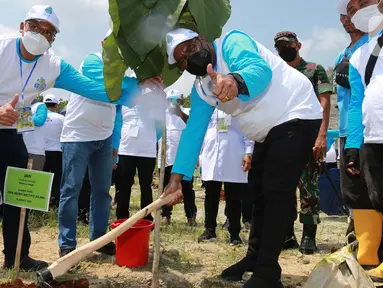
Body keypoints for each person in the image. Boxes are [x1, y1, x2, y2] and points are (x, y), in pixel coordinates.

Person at [0, 5, 160, 270]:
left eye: (49, 32)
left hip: (11, 136)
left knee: (17, 199)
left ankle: (17, 257)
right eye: (36, 27)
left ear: (53, 40)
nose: (41, 34)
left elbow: (96, 90)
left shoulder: (53, 66)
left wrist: (140, 87)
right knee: (69, 190)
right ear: (21, 26)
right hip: (65, 135)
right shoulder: (3, 48)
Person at [163, 28, 323, 287]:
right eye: (181, 60)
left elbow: (258, 69)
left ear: (201, 39)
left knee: (276, 191)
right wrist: (176, 178)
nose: (188, 59)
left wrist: (235, 81)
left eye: (189, 49)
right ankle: (254, 258)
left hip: (296, 112)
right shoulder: (202, 88)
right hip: (266, 131)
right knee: (257, 193)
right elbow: (193, 132)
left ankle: (268, 271)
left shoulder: (231, 42)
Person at [274, 31, 333, 254]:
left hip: (308, 136)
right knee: (282, 188)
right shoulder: (277, 74)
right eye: (278, 47)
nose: (282, 50)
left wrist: (321, 134)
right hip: (283, 137)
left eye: (286, 45)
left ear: (298, 45)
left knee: (308, 187)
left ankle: (309, 237)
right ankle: (287, 235)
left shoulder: (314, 70)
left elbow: (324, 101)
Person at [344, 0, 383, 281]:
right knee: (377, 198)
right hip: (373, 137)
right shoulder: (359, 56)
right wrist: (353, 146)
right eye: (353, 6)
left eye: (364, 2)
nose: (358, 9)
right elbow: (356, 104)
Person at [198, 109, 254, 245]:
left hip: (233, 154)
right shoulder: (209, 108)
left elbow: (249, 130)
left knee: (234, 197)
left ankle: (234, 233)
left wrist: (248, 152)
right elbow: (202, 131)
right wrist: (199, 153)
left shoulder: (239, 106)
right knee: (210, 194)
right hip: (211, 155)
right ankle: (209, 230)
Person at [158, 89, 197, 226]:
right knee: (166, 187)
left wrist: (180, 113)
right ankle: (166, 215)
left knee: (187, 189)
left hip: (183, 159)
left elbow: (194, 127)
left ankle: (191, 216)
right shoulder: (161, 114)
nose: (173, 103)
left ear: (180, 101)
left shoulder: (186, 112)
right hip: (166, 158)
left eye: (176, 100)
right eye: (170, 100)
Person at [116, 105, 161, 221]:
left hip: (147, 151)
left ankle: (146, 217)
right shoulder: (123, 100)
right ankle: (121, 217)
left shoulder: (153, 99)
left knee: (146, 186)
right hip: (126, 149)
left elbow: (161, 124)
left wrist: (151, 139)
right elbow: (117, 122)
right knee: (124, 185)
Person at [42, 94, 64, 208]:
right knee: (57, 179)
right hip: (57, 151)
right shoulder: (61, 118)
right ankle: (55, 204)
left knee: (42, 178)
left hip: (41, 152)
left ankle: (41, 203)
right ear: (56, 105)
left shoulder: (38, 116)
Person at [22, 99, 48, 171]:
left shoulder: (40, 105)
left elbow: (40, 120)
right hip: (21, 150)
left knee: (31, 179)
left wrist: (20, 115)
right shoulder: (20, 106)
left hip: (34, 152)